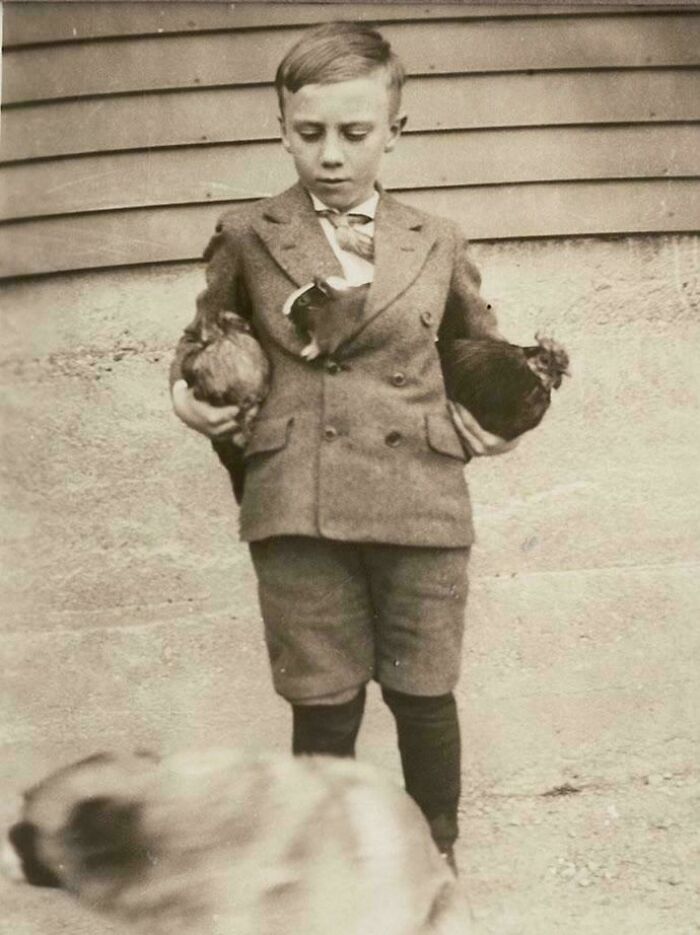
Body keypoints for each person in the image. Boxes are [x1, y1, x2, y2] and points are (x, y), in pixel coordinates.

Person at [170, 21, 517, 871]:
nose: (330, 154)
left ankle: (436, 856)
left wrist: (497, 425)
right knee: (322, 699)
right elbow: (199, 342)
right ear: (283, 129)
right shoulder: (248, 234)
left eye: (354, 133)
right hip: (297, 498)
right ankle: (324, 863)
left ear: (394, 130)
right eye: (309, 132)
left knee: (423, 691)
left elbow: (483, 357)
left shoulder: (437, 238)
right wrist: (188, 399)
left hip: (421, 494)